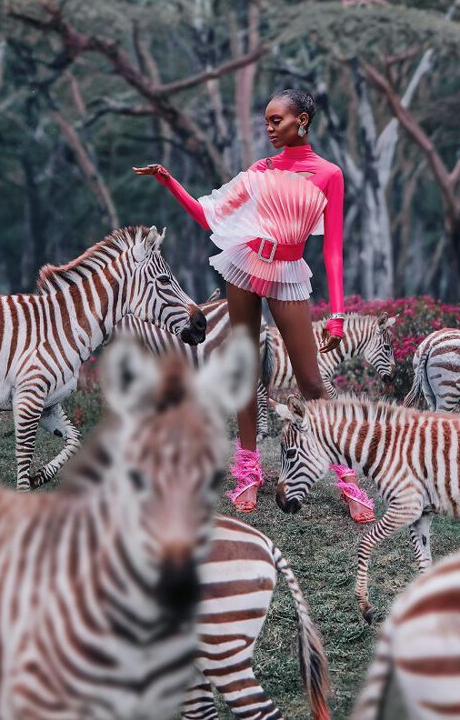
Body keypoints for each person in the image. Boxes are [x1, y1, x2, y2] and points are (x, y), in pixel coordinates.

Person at [133, 88, 374, 522]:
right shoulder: (259, 170)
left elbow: (333, 250)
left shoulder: (328, 174)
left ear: (302, 120)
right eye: (266, 120)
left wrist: (336, 315)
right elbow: (212, 217)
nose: (269, 128)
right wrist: (169, 182)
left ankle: (346, 476)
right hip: (244, 267)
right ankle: (248, 470)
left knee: (311, 383)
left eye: (277, 120)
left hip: (288, 273)